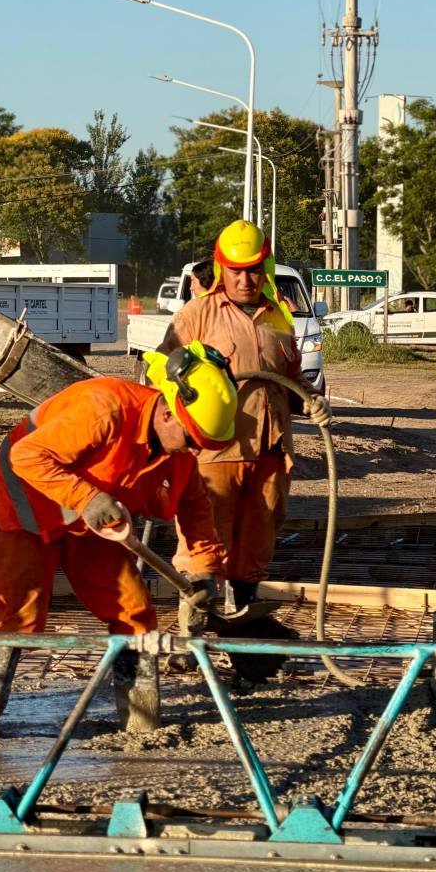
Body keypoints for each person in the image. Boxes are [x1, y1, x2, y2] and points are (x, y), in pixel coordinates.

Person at [0, 341, 237, 737]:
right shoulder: (103, 407)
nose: (197, 451)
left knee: (135, 611)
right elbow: (26, 457)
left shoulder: (177, 452)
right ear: (167, 412)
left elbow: (194, 506)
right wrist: (87, 498)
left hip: (93, 518)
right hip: (27, 503)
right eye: (194, 439)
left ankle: (143, 725)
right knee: (18, 619)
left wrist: (202, 569)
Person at [158, 220, 331, 677]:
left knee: (252, 554)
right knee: (202, 550)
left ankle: (246, 651)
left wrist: (311, 402)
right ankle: (187, 643)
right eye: (235, 269)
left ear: (265, 267)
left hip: (271, 454)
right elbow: (162, 373)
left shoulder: (279, 317)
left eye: (253, 269)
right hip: (213, 457)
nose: (245, 279)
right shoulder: (197, 315)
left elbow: (291, 382)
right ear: (221, 268)